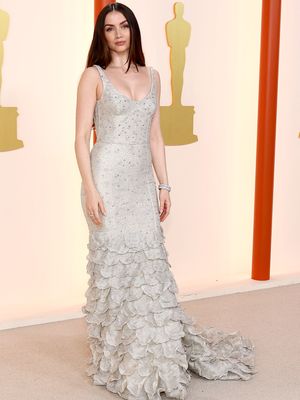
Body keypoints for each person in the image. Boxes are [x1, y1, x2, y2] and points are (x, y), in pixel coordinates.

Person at [74, 3, 257, 399]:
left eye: (124, 26)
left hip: (141, 183)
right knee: (115, 271)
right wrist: (89, 187)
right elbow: (79, 139)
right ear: (102, 36)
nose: (118, 34)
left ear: (134, 31)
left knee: (148, 269)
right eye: (110, 28)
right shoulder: (93, 76)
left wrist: (165, 185)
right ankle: (119, 354)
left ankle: (151, 353)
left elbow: (155, 137)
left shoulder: (154, 76)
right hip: (105, 179)